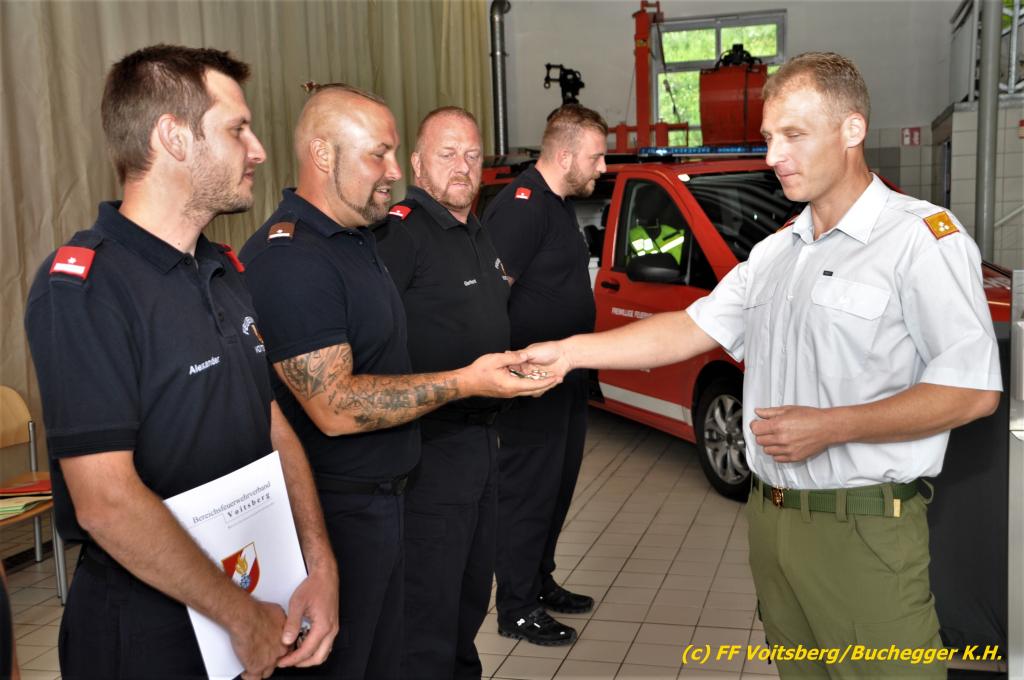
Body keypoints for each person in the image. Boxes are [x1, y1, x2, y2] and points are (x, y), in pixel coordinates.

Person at [514, 53, 1002, 678]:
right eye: (770, 137)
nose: (774, 156)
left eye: (793, 135)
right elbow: (689, 328)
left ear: (852, 129)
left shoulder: (919, 240)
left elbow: (972, 390)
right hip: (772, 523)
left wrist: (832, 426)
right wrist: (568, 352)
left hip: (863, 527)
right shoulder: (778, 252)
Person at [23, 45, 339, 680]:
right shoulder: (85, 287)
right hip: (150, 624)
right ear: (172, 137)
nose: (258, 150)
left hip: (252, 591)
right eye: (237, 129)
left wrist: (318, 562)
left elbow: (271, 423)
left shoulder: (223, 270)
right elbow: (105, 501)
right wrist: (238, 615)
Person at [239, 85, 554, 679]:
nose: (392, 173)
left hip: (391, 489)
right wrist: (467, 381)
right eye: (378, 155)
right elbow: (334, 405)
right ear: (323, 154)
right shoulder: (293, 258)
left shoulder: (357, 239)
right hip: (340, 506)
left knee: (415, 639)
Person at [373, 107, 509, 678]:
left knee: (471, 592)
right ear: (417, 163)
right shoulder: (400, 232)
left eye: (473, 155)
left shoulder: (474, 227)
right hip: (430, 447)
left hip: (483, 442)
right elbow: (369, 339)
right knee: (428, 604)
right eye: (447, 154)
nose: (463, 166)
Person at [481, 104, 608, 645]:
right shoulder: (522, 207)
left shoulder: (557, 204)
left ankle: (539, 580)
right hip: (529, 384)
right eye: (596, 157)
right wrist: (508, 369)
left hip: (564, 380)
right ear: (565, 155)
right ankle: (516, 606)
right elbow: (491, 298)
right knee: (526, 495)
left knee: (555, 488)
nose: (602, 167)